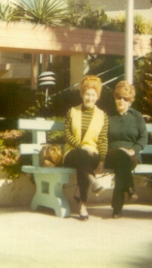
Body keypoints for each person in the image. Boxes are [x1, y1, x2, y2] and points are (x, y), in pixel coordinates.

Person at [62, 75, 108, 220]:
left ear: (98, 96)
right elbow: (67, 135)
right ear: (82, 94)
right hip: (72, 153)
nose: (90, 98)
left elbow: (102, 140)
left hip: (92, 155)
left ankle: (82, 202)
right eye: (87, 94)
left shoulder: (103, 116)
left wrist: (102, 160)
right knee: (82, 156)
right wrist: (82, 147)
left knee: (85, 160)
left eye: (93, 95)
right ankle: (90, 185)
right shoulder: (72, 111)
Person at [105, 81, 147, 218]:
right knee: (120, 157)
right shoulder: (108, 116)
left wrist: (133, 150)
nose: (122, 101)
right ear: (115, 98)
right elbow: (102, 138)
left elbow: (143, 138)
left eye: (125, 98)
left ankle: (118, 207)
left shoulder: (137, 116)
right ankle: (128, 190)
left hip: (131, 156)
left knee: (122, 162)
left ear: (131, 100)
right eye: (119, 97)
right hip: (111, 154)